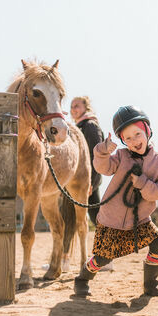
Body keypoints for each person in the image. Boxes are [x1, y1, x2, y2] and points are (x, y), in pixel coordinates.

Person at [74, 105, 158, 297]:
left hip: (140, 219)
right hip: (112, 219)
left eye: (137, 134)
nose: (134, 140)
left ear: (147, 131)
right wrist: (103, 151)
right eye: (128, 138)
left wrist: (143, 184)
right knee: (102, 258)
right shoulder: (121, 157)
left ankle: (151, 283)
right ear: (122, 141)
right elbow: (103, 167)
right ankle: (82, 278)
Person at [70, 96, 104, 224]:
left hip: (88, 181)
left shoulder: (90, 126)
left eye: (77, 106)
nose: (73, 109)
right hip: (79, 180)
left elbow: (96, 155)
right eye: (71, 107)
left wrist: (91, 183)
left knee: (97, 218)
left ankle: (111, 242)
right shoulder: (79, 127)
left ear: (86, 107)